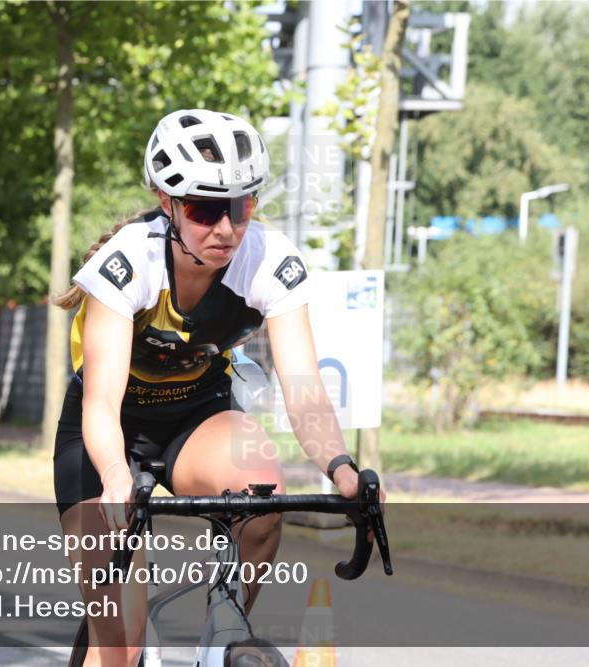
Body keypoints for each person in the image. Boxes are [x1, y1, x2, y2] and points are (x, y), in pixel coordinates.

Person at [52, 109, 371, 667]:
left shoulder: (269, 260)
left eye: (241, 207)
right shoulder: (127, 262)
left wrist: (341, 468)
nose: (225, 228)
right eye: (204, 210)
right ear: (166, 202)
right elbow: (101, 400)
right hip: (108, 432)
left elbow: (303, 386)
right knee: (120, 649)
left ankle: (222, 641)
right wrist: (114, 475)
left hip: (196, 418)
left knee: (262, 492)